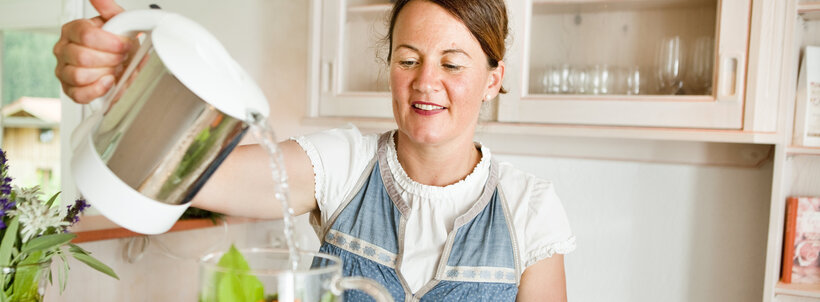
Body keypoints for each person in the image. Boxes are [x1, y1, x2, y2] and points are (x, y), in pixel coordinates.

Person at [54, 0, 575, 300]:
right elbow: (198, 171)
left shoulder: (528, 209)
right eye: (408, 59)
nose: (426, 83)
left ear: (492, 79)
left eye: (454, 64)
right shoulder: (344, 164)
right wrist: (132, 85)